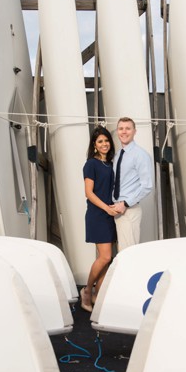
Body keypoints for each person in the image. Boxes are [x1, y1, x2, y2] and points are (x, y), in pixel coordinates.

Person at [81, 126, 119, 312]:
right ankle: (87, 291)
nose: (104, 144)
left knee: (107, 259)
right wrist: (106, 208)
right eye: (100, 141)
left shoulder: (111, 163)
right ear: (94, 146)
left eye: (106, 140)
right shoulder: (91, 164)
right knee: (105, 256)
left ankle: (99, 294)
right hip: (98, 214)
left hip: (111, 214)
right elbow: (89, 193)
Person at [111, 117, 154, 251]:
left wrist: (125, 204)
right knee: (122, 252)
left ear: (134, 131)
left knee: (128, 252)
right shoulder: (118, 155)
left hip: (128, 210)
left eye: (128, 128)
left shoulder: (140, 155)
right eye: (121, 128)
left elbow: (147, 185)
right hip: (117, 210)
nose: (124, 132)